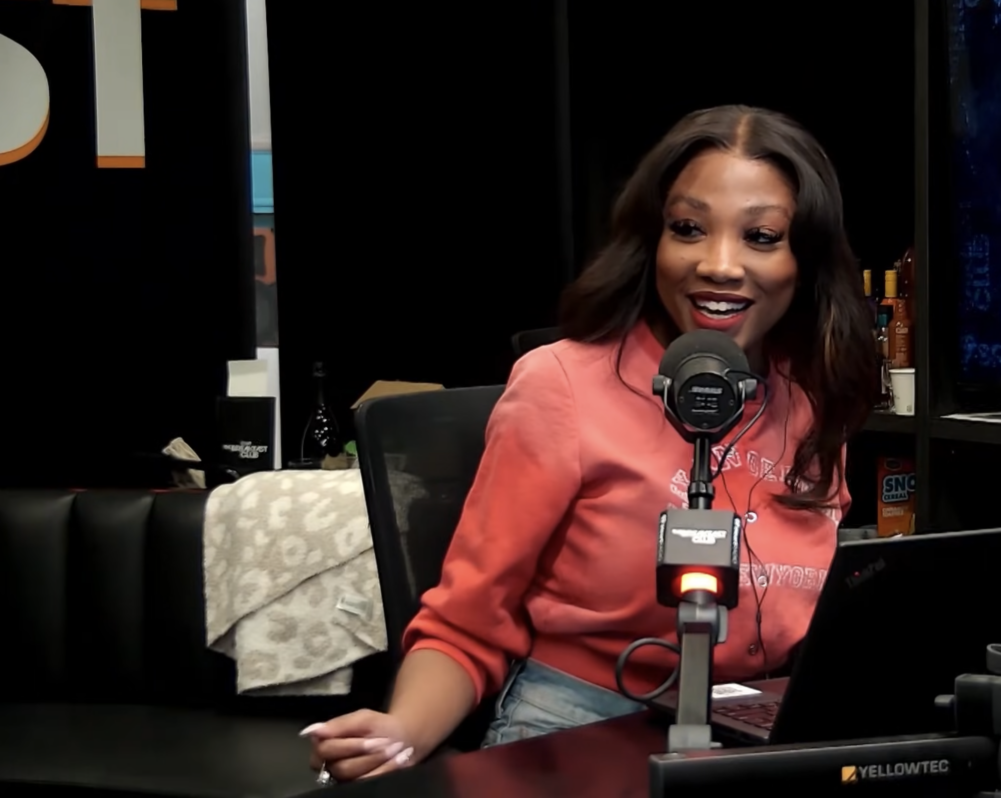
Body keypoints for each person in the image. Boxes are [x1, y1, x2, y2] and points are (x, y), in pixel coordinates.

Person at [303, 105, 877, 782]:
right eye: (688, 228)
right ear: (652, 240)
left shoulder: (809, 400)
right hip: (578, 720)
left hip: (757, 721)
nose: (719, 264)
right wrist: (402, 733)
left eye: (761, 236)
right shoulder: (563, 385)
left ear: (804, 259)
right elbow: (469, 620)